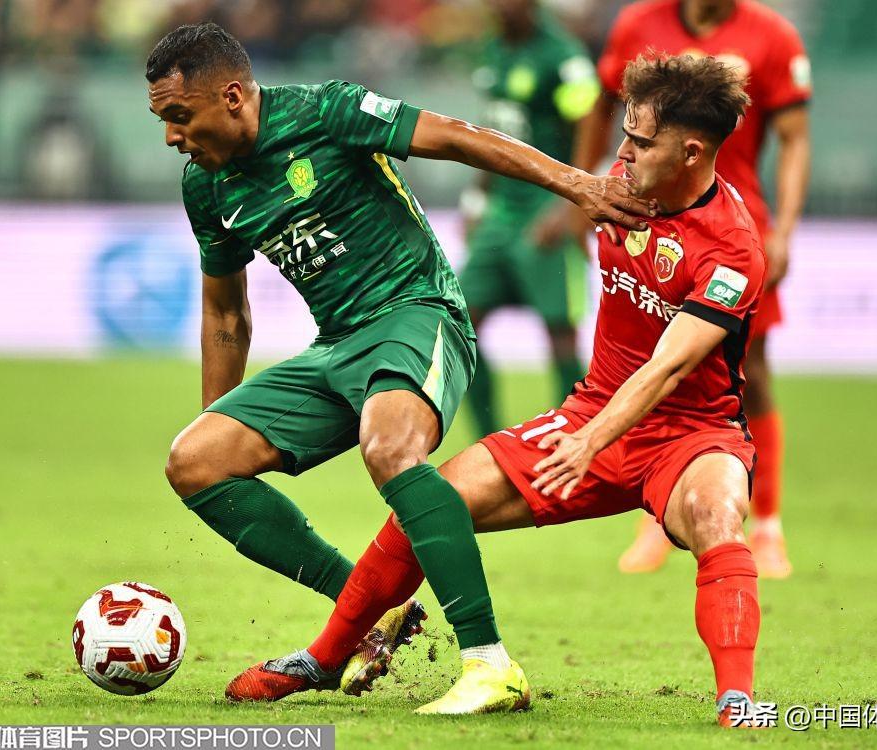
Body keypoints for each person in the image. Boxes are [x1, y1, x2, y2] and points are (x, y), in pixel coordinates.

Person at [249, 53, 769, 725]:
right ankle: (326, 656)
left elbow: (668, 368)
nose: (622, 153)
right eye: (625, 136)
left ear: (692, 152)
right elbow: (518, 161)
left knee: (716, 514)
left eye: (641, 143)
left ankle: (737, 701)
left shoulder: (732, 248)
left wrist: (591, 440)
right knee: (431, 502)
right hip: (593, 411)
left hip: (691, 435)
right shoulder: (619, 187)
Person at [145, 23, 654, 704]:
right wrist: (219, 415)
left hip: (417, 312)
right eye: (164, 120)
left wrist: (576, 184)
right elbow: (225, 315)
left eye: (180, 116)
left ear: (232, 96)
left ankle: (489, 663)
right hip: (336, 345)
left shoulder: (325, 112)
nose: (171, 136)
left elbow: (455, 136)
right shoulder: (206, 188)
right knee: (194, 460)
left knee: (388, 446)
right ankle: (369, 608)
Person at [538, 0, 811, 577]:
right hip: (649, 212)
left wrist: (785, 229)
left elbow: (794, 140)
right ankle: (657, 507)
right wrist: (585, 191)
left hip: (730, 230)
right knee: (649, 356)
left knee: (750, 373)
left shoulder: (773, 36)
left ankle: (767, 523)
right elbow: (601, 109)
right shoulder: (638, 24)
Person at [459, 0, 600, 437]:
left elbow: (590, 122)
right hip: (500, 209)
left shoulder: (561, 56)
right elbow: (490, 133)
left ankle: (572, 441)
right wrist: (477, 198)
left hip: (546, 205)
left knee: (559, 331)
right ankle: (488, 441)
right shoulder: (494, 50)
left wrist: (572, 201)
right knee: (459, 322)